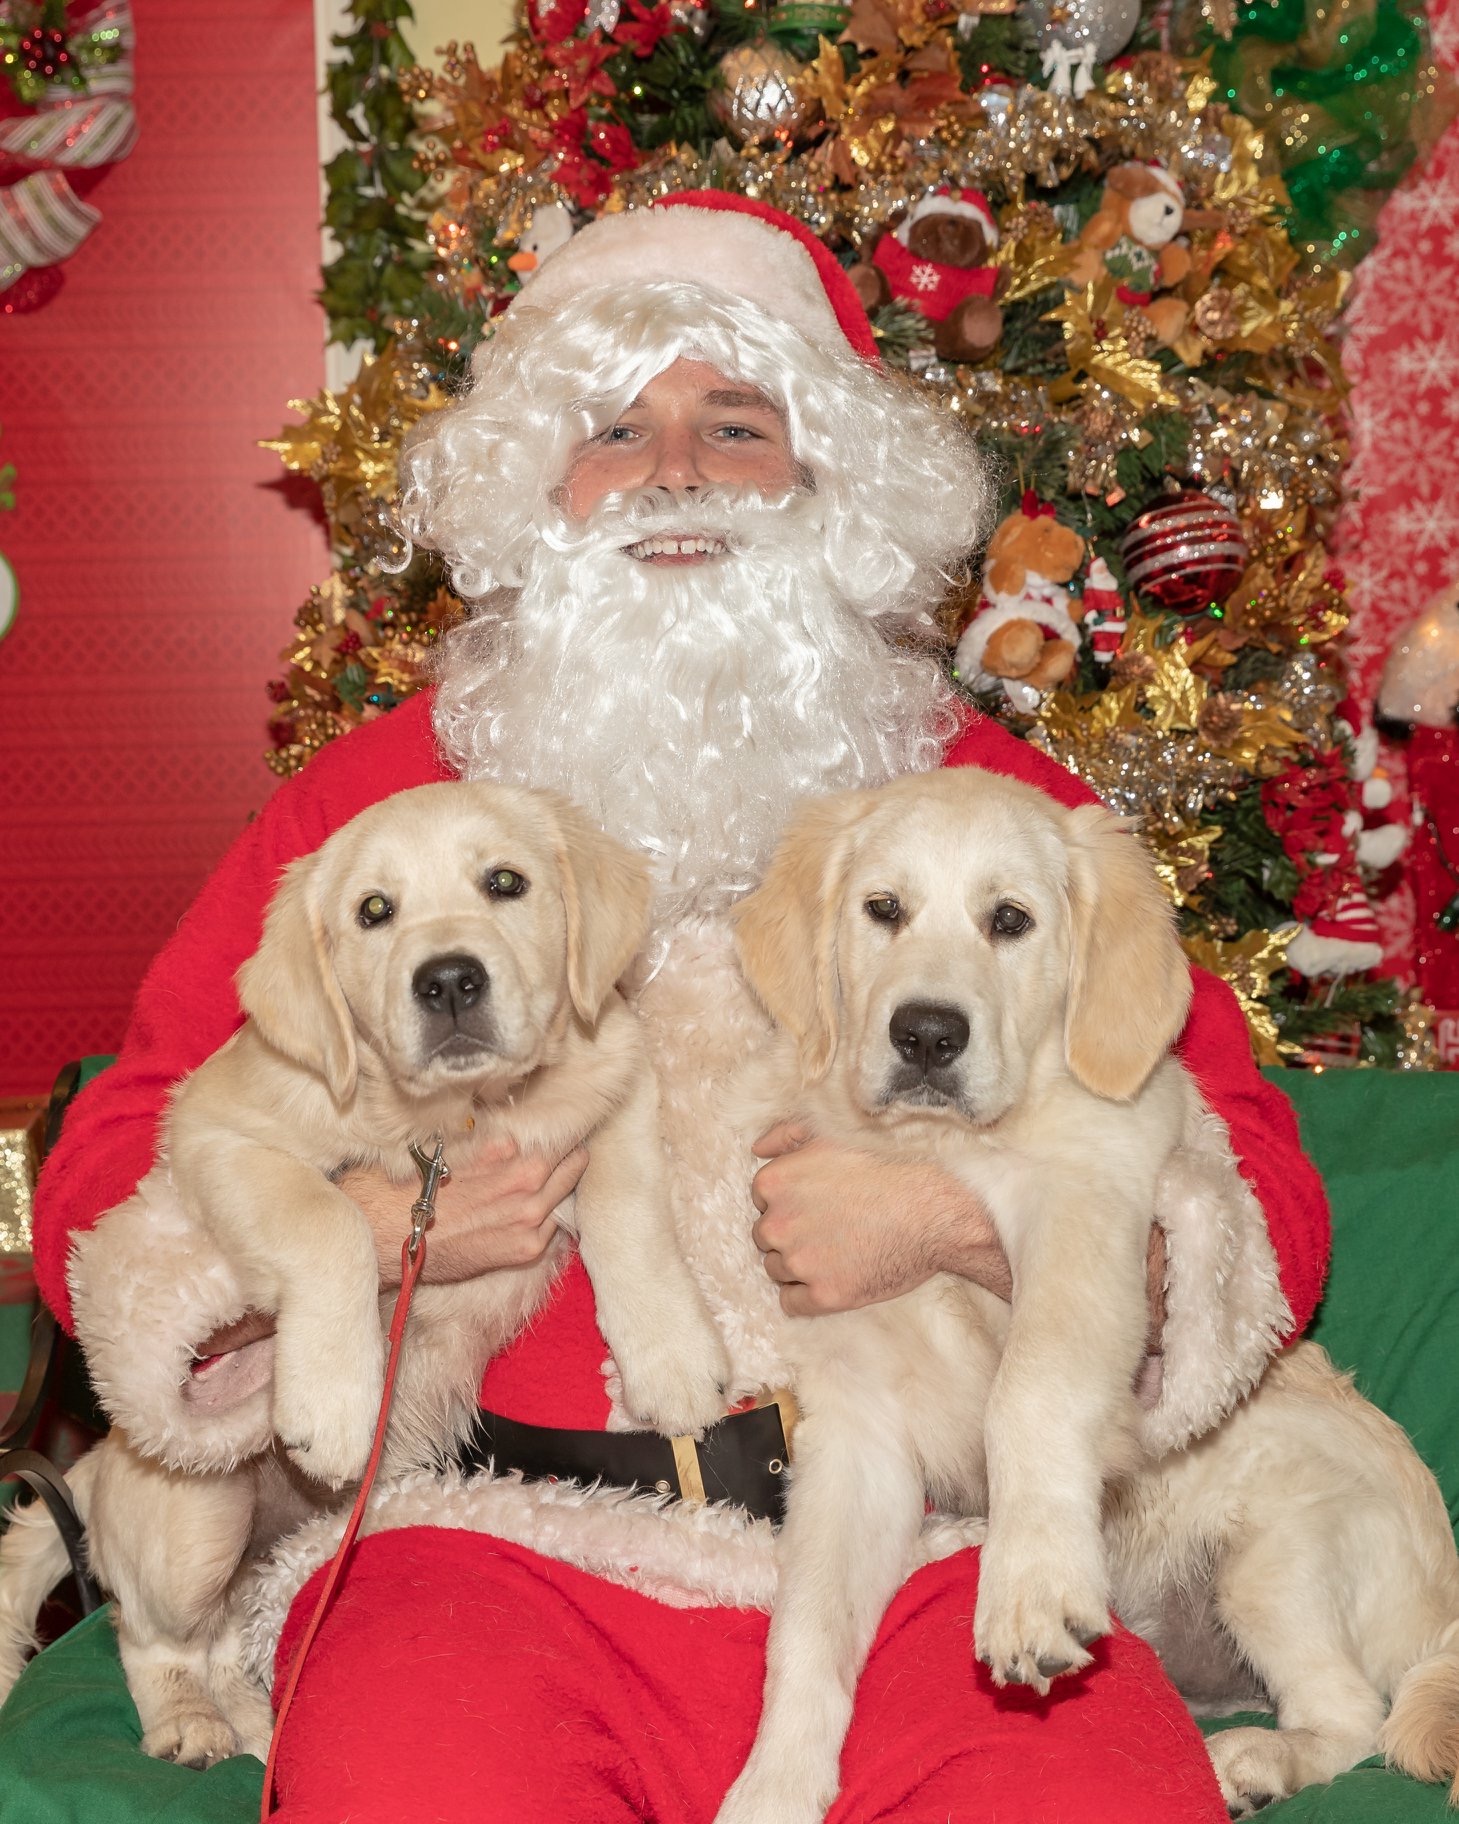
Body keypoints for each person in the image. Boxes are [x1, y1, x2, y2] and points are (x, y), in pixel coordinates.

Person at [30, 193, 1328, 1824]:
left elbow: (1255, 1179)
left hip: (924, 1542)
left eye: (735, 421)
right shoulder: (372, 822)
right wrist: (358, 1230)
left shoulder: (982, 809)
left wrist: (953, 1223)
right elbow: (116, 1165)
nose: (675, 472)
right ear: (535, 493)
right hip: (497, 1541)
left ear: (826, 483)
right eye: (613, 430)